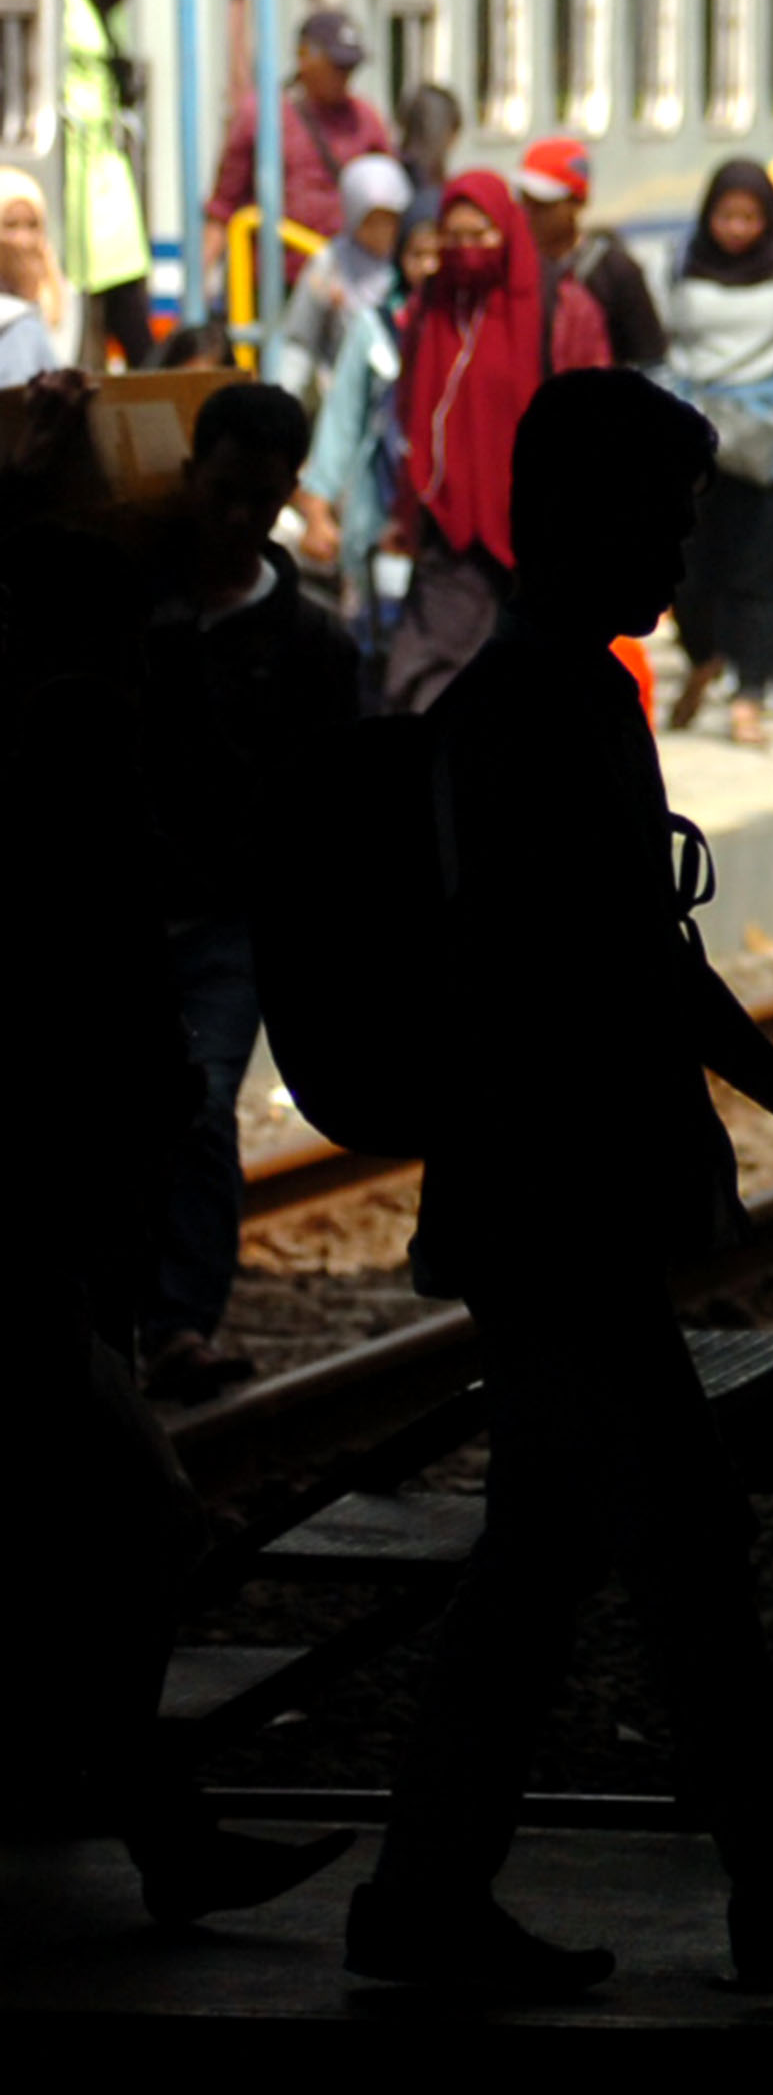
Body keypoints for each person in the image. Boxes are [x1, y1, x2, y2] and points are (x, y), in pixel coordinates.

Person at [344, 366, 773, 2000]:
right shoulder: (542, 704)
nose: (681, 558)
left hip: (540, 1195)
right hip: (562, 1202)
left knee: (548, 1554)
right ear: (579, 515)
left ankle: (431, 1895)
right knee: (677, 1542)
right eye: (665, 520)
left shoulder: (545, 690)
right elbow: (639, 963)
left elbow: (641, 955)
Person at [0, 515, 355, 1932]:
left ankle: (150, 1819)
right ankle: (159, 1825)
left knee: (87, 1521)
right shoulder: (77, 744)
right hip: (37, 1239)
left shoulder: (42, 739)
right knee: (131, 1515)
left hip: (47, 1230)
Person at [129, 385, 360, 1402]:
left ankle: (178, 1324)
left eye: (256, 502)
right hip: (122, 907)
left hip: (230, 917)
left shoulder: (313, 646)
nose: (234, 521)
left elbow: (323, 806)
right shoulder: (124, 603)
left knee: (200, 1101)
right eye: (220, 494)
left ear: (286, 499)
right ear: (189, 479)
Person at [380, 172, 604, 715]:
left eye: (480, 236)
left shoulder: (558, 307)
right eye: (452, 238)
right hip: (451, 523)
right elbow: (413, 407)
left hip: (538, 529)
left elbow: (593, 408)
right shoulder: (432, 309)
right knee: (431, 670)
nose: (466, 250)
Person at [658, 159, 773, 744]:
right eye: (725, 216)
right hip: (695, 430)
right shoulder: (680, 260)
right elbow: (664, 343)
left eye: (749, 217)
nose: (736, 229)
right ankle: (704, 658)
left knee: (760, 569)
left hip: (769, 434)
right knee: (683, 569)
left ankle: (750, 694)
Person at [296, 193, 433, 639]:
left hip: (443, 526)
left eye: (439, 253)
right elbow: (343, 418)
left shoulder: (473, 329)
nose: (429, 266)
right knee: (375, 638)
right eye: (418, 253)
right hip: (379, 512)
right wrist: (317, 510)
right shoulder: (374, 328)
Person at [202, 5, 399, 257]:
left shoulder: (366, 120)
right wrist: (201, 279)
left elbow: (390, 199)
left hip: (346, 282)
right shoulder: (263, 116)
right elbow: (223, 207)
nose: (345, 76)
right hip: (275, 279)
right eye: (337, 66)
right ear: (305, 56)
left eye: (350, 68)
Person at [63, 0, 169, 369]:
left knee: (124, 296)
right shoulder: (65, 1)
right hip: (77, 170)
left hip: (103, 176)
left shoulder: (106, 8)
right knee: (109, 304)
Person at [506, 137, 669, 371]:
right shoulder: (513, 265)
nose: (529, 214)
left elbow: (650, 359)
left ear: (577, 203)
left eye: (543, 205)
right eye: (524, 201)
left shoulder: (615, 270)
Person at [267, 154, 413, 413]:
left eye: (389, 220)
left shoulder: (411, 260)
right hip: (340, 402)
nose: (382, 231)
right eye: (371, 221)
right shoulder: (330, 264)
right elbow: (300, 340)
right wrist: (281, 404)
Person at [0, 166, 69, 390]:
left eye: (33, 225)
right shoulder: (20, 329)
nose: (23, 240)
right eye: (10, 226)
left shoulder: (55, 289)